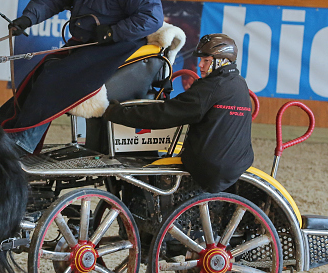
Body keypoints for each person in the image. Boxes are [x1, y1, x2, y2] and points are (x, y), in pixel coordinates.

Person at [0, 0, 163, 153]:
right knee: (39, 74)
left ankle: (22, 145)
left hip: (117, 46)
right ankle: (2, 135)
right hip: (88, 42)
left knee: (54, 79)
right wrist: (28, 18)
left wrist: (113, 32)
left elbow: (152, 17)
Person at [103, 34, 254, 193]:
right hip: (238, 164)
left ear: (221, 61)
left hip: (209, 168)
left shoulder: (211, 87)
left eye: (206, 61)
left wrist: (116, 112)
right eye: (200, 60)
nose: (200, 65)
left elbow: (164, 115)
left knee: (146, 177)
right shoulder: (239, 82)